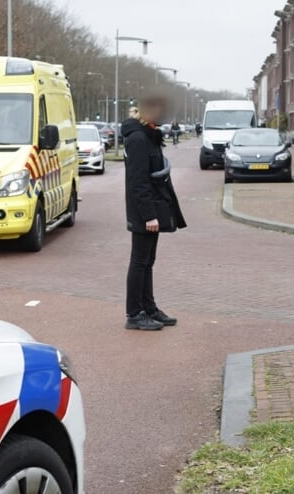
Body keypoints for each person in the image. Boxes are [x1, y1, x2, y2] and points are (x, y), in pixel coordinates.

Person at [122, 92, 187, 331]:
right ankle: (134, 313)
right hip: (144, 212)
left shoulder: (149, 136)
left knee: (148, 261)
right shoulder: (139, 139)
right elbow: (138, 183)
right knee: (139, 261)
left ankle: (149, 308)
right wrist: (149, 215)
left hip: (153, 208)